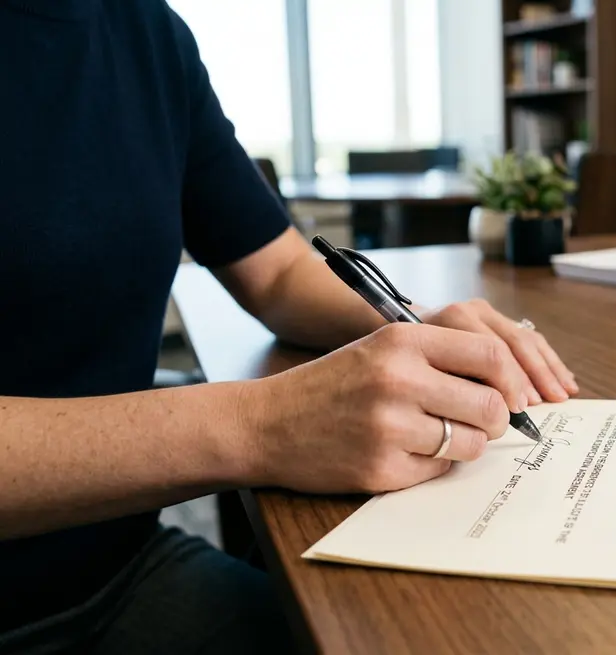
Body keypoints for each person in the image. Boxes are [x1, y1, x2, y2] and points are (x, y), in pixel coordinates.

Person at [0, 1, 579, 652]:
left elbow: (275, 271)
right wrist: (260, 426)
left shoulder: (147, 32)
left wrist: (422, 326)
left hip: (119, 567)